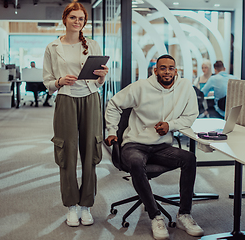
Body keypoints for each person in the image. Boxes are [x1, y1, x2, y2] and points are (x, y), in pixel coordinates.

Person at [105, 54, 204, 240]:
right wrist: (111, 130)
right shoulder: (141, 87)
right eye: (163, 68)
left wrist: (170, 125)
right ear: (155, 70)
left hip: (161, 147)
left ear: (176, 70)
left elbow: (191, 115)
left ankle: (184, 214)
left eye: (171, 68)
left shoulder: (185, 88)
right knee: (135, 162)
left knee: (189, 158)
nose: (167, 72)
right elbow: (114, 104)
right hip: (135, 144)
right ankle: (155, 215)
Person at [43, 1, 109, 227]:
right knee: (67, 152)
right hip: (66, 100)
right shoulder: (53, 47)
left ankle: (86, 205)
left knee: (90, 150)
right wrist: (59, 81)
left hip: (90, 98)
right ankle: (72, 205)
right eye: (73, 18)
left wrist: (102, 76)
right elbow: (47, 81)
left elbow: (99, 82)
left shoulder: (92, 45)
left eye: (81, 19)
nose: (77, 22)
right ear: (65, 19)